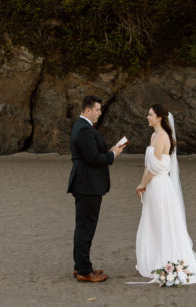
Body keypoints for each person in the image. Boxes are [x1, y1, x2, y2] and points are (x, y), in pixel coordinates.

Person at [135, 104, 196, 284]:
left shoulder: (162, 137)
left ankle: (167, 259)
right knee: (153, 222)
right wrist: (142, 184)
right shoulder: (153, 136)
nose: (147, 117)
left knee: (163, 222)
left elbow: (156, 167)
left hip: (160, 186)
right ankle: (155, 258)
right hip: (152, 186)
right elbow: (148, 165)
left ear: (159, 117)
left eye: (150, 114)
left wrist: (143, 183)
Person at [68, 95, 127, 283]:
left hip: (85, 183)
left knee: (83, 226)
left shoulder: (83, 127)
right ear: (88, 110)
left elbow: (91, 154)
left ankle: (80, 266)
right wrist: (113, 155)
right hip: (88, 184)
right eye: (97, 110)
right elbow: (93, 158)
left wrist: (110, 151)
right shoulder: (84, 129)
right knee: (86, 228)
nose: (100, 113)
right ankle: (84, 271)